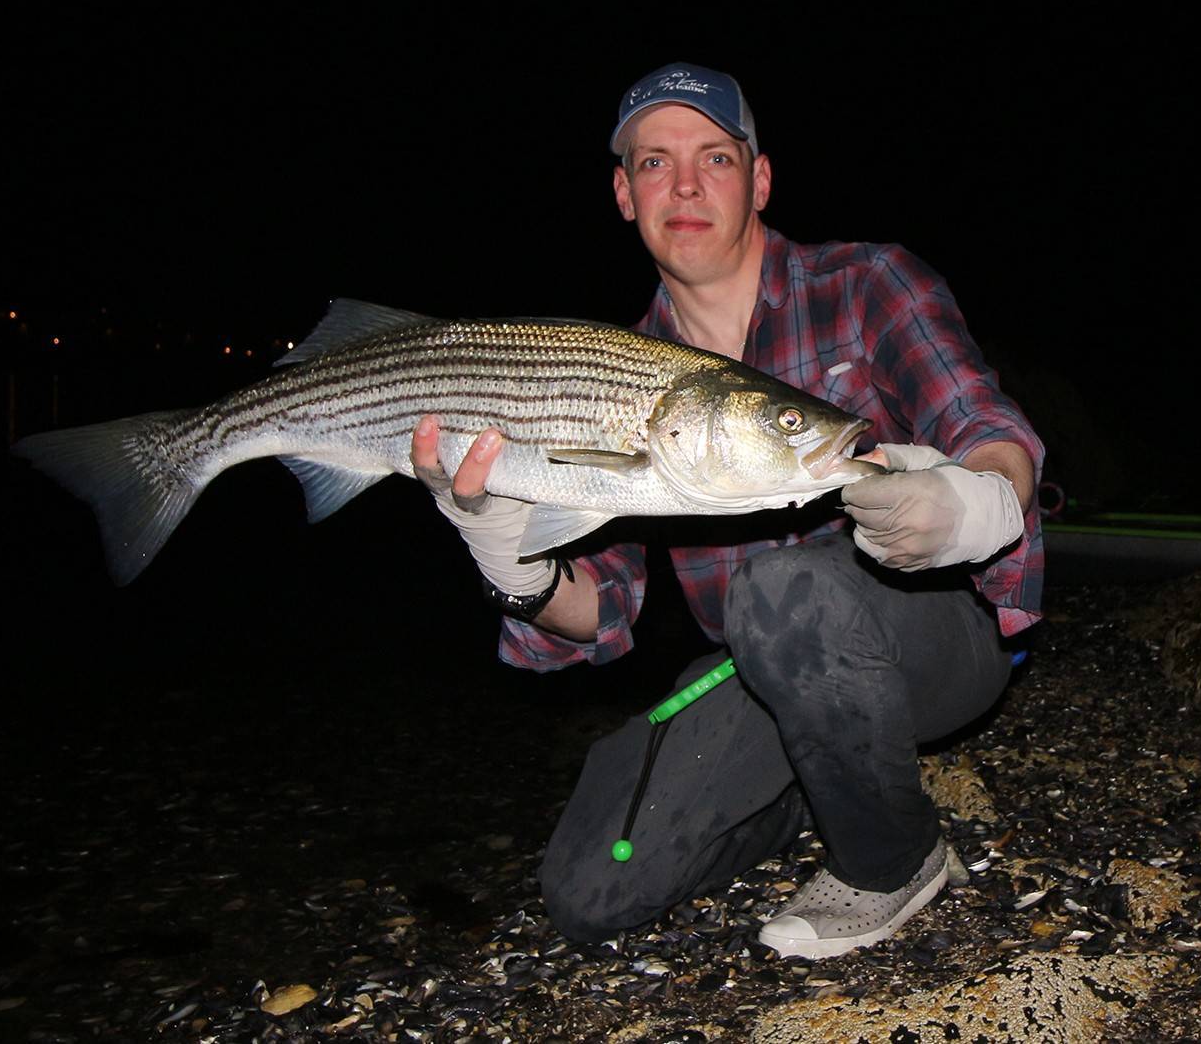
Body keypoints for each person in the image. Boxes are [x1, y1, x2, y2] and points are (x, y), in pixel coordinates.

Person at [410, 62, 1044, 959]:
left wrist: (973, 501)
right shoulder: (612, 371)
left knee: (780, 584)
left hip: (940, 638)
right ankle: (814, 781)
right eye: (656, 163)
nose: (688, 185)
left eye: (715, 157)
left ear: (760, 178)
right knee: (591, 885)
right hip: (763, 669)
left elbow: (987, 429)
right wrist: (511, 564)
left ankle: (891, 859)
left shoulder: (866, 283)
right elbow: (599, 613)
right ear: (625, 193)